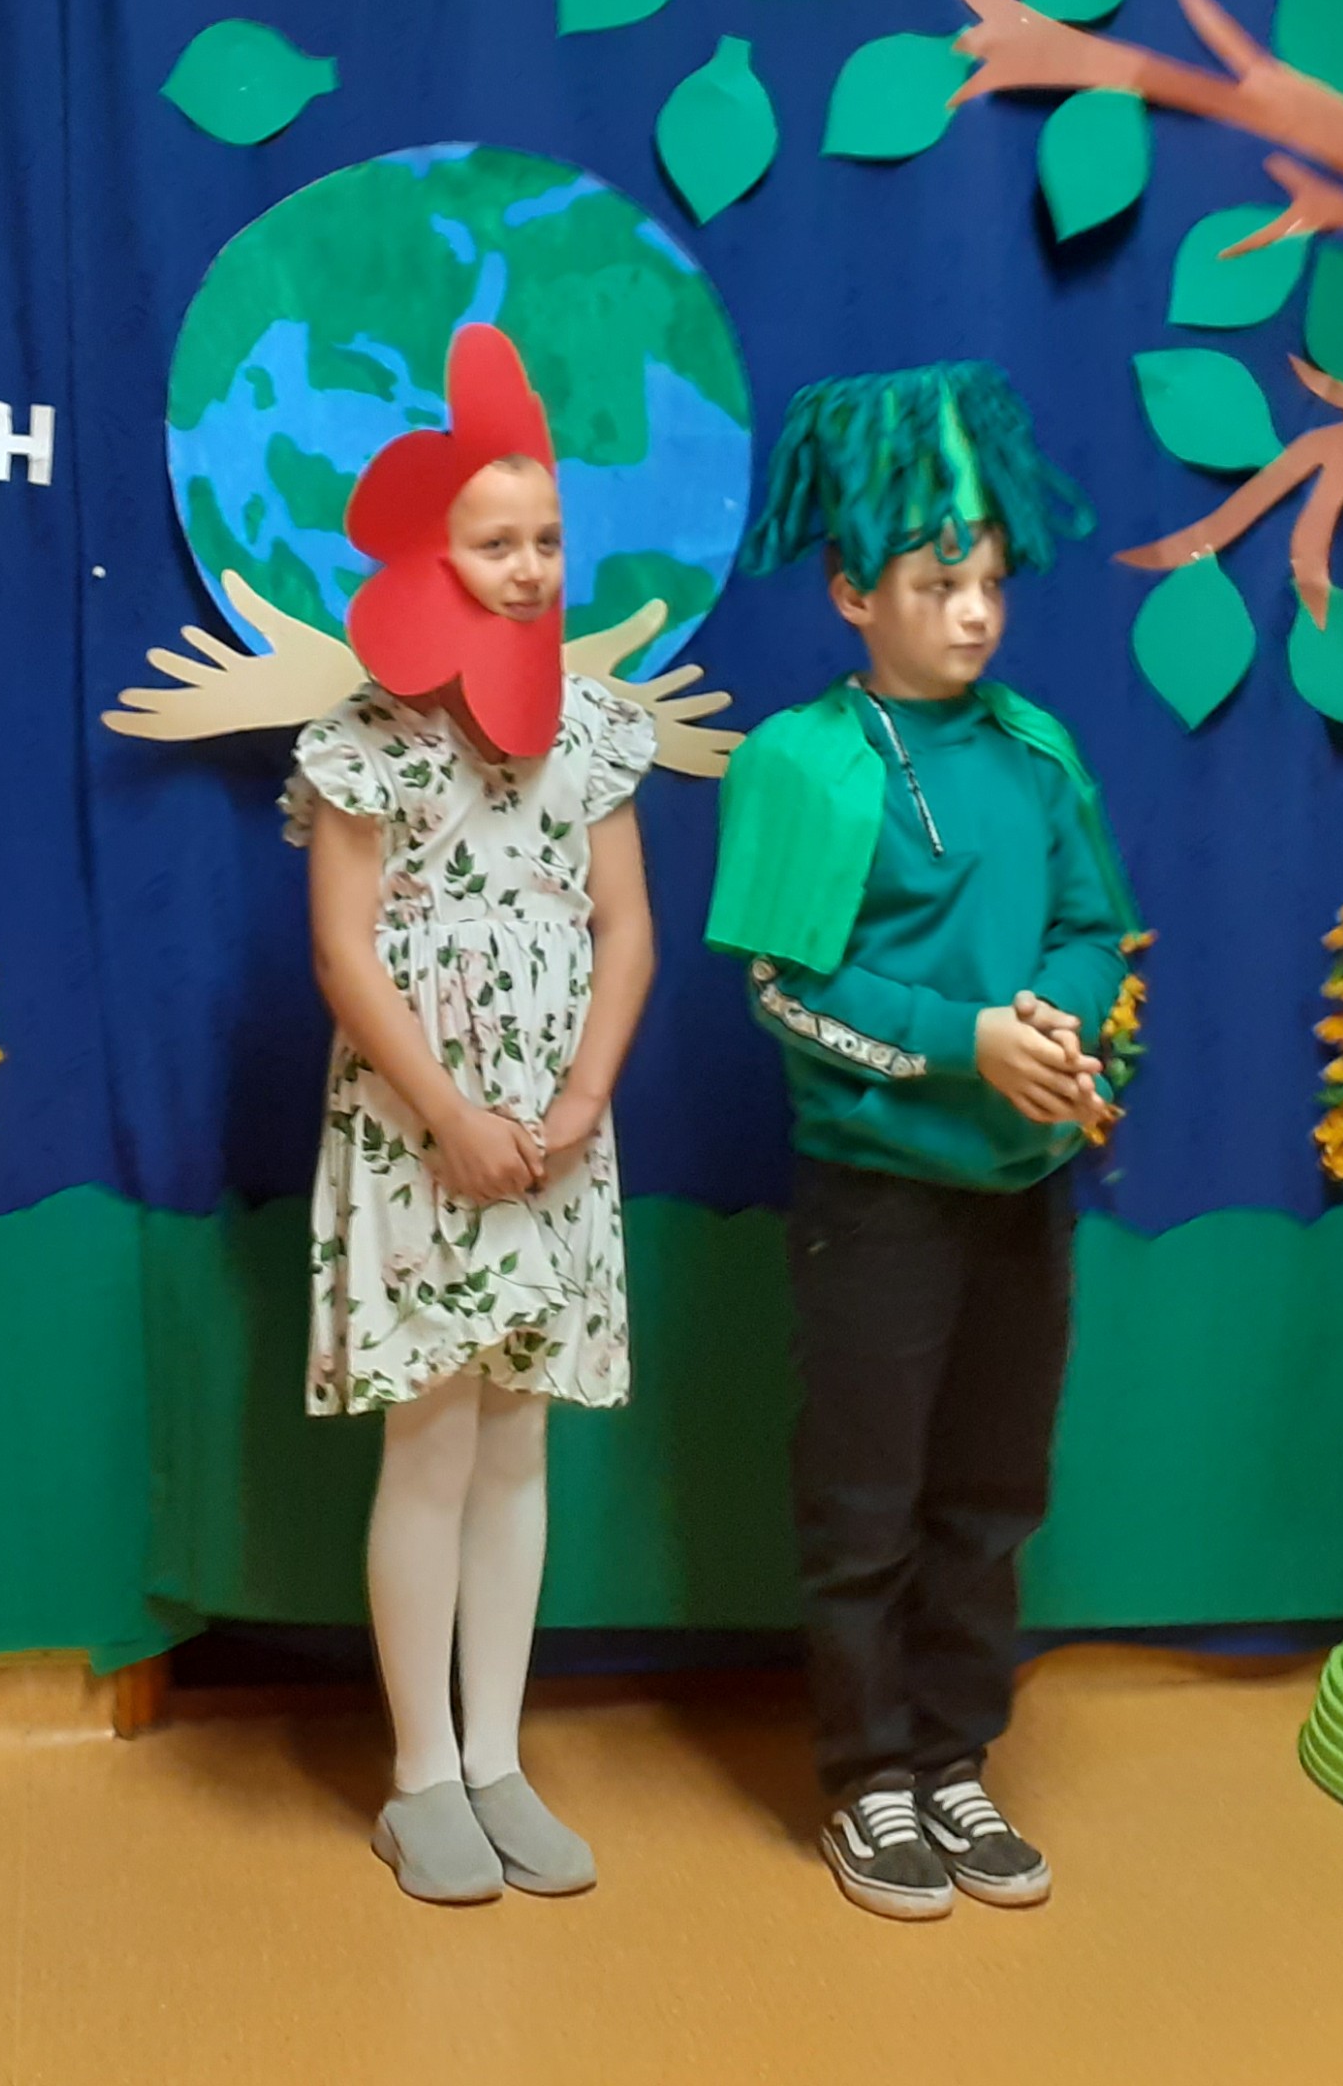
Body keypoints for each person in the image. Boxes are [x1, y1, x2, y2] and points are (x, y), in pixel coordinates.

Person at [707, 363, 1136, 1925]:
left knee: (992, 1492)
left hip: (1025, 1192)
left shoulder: (1036, 751)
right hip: (879, 1201)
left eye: (991, 584)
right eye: (937, 585)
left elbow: (1091, 927)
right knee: (869, 1498)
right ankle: (867, 1773)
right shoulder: (803, 761)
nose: (973, 614)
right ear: (851, 592)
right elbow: (786, 985)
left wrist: (1057, 1025)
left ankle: (955, 1754)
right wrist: (966, 1041)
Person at [290, 323, 655, 1905]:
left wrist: (578, 1102)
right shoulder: (367, 743)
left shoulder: (596, 730)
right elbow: (343, 952)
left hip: (557, 1144)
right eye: (496, 543)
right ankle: (420, 1773)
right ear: (431, 560)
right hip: (418, 1138)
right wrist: (445, 1113)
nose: (529, 568)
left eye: (547, 540)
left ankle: (499, 1755)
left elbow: (626, 930)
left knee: (519, 1448)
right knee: (432, 1445)